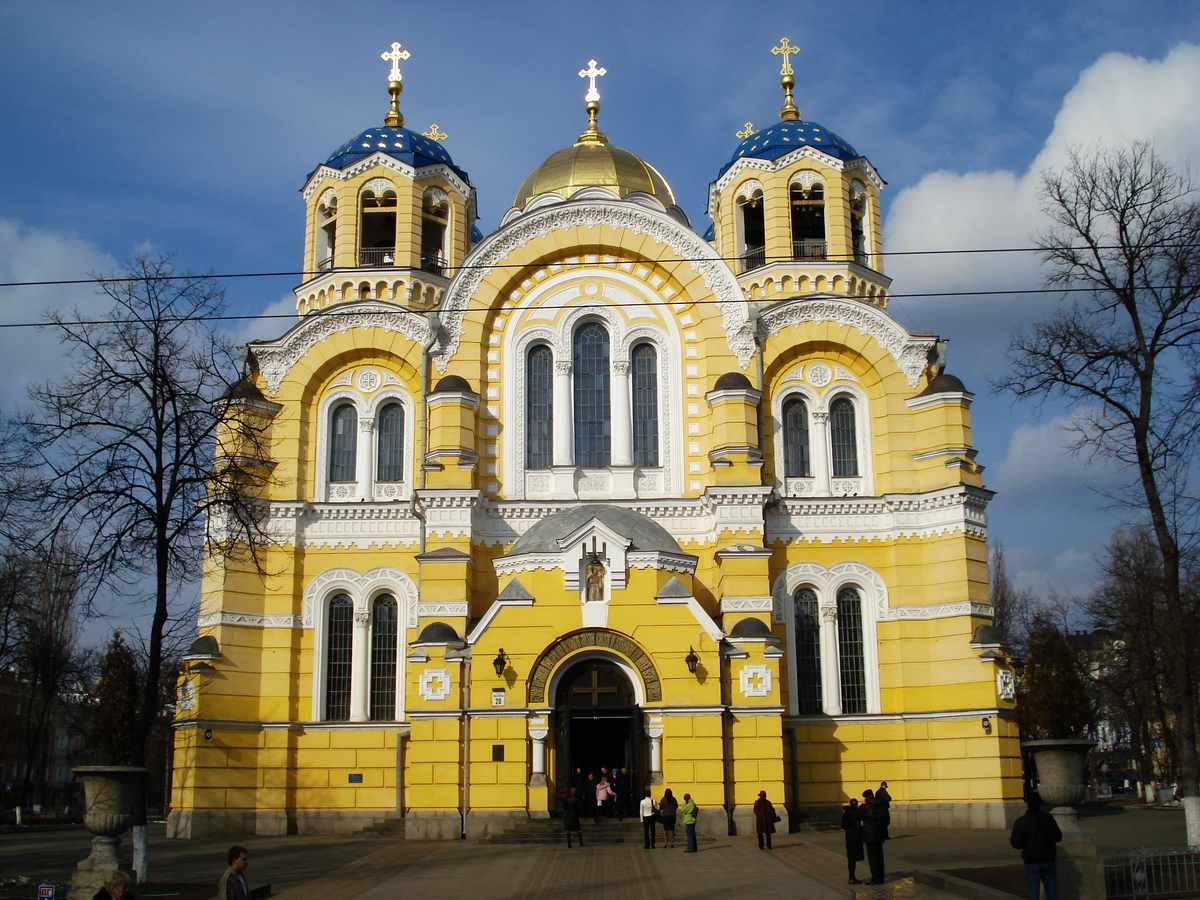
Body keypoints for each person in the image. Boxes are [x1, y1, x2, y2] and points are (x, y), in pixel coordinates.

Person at [1010, 792, 1063, 900]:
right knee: (1052, 890)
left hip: (1031, 860)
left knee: (1033, 891)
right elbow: (1058, 837)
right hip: (1048, 859)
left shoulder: (1021, 821)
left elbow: (1016, 843)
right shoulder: (1048, 818)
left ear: (1027, 804)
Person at [858, 789, 889, 885]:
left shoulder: (866, 807)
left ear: (866, 798)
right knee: (880, 856)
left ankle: (875, 878)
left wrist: (861, 805)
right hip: (879, 834)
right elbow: (887, 820)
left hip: (869, 835)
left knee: (873, 858)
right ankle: (881, 878)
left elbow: (857, 816)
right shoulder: (882, 805)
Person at [841, 797, 865, 884]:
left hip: (849, 836)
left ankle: (851, 876)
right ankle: (852, 877)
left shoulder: (846, 813)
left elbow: (843, 825)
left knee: (851, 858)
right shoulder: (857, 812)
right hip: (856, 836)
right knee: (854, 857)